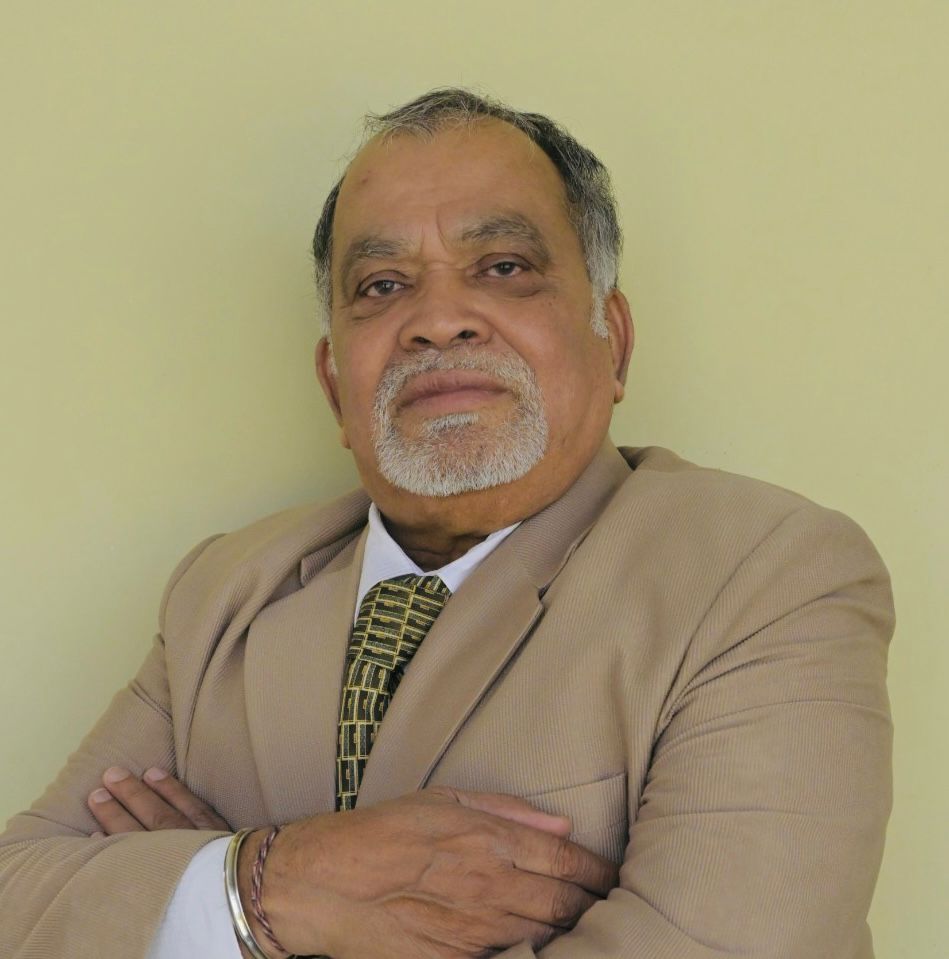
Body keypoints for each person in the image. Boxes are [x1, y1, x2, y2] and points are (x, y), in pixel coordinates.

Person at [0, 89, 894, 959]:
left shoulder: (763, 573)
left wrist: (196, 903)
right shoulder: (223, 591)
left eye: (503, 267)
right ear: (334, 386)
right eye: (382, 284)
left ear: (613, 341)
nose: (435, 321)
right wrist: (270, 884)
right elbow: (14, 902)